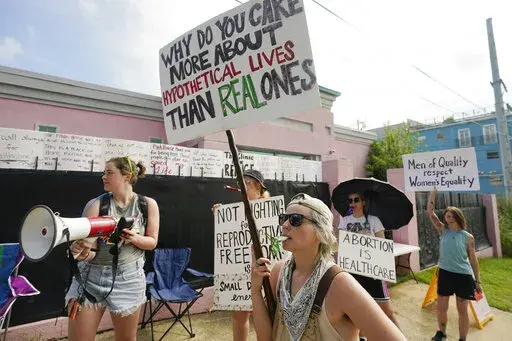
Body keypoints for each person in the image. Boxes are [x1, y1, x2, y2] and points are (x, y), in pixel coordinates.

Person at [251, 193, 406, 341]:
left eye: (295, 219)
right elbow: (265, 337)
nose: (284, 225)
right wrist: (255, 291)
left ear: (320, 232)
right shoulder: (278, 272)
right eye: (284, 218)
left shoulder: (339, 284)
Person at [66, 156, 160, 341]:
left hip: (129, 280)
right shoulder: (96, 205)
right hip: (90, 278)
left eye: (109, 173)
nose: (103, 176)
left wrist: (134, 238)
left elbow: (152, 241)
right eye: (103, 173)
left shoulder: (147, 205)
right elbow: (91, 251)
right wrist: (82, 251)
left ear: (126, 176)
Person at [213, 169, 270, 341]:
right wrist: (221, 215)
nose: (241, 186)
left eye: (246, 182)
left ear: (257, 186)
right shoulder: (239, 210)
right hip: (241, 269)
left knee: (264, 317)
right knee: (240, 317)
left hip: (264, 268)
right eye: (241, 183)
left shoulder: (268, 208)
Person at [338, 192, 400, 340]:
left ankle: (399, 337)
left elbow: (381, 244)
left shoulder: (374, 220)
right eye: (350, 200)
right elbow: (342, 243)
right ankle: (362, 337)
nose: (352, 203)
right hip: (353, 271)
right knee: (357, 310)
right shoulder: (344, 221)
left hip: (373, 272)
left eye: (356, 200)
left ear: (364, 202)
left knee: (387, 311)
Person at [427, 188, 482, 341]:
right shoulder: (443, 230)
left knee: (462, 310)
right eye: (446, 215)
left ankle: (462, 338)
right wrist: (433, 194)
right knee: (441, 307)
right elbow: (430, 213)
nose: (447, 218)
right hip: (445, 273)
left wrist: (477, 281)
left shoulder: (467, 237)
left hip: (463, 276)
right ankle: (441, 333)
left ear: (458, 217)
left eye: (451, 216)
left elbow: (473, 260)